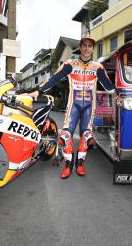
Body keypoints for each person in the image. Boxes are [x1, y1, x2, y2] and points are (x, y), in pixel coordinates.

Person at [25, 34, 114, 179]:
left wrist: (120, 95)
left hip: (89, 107)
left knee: (86, 136)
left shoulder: (98, 67)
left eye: (89, 46)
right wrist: (38, 91)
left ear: (93, 49)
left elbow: (109, 86)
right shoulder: (70, 64)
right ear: (80, 47)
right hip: (74, 105)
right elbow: (53, 79)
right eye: (84, 45)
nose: (86, 49)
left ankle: (80, 164)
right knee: (65, 135)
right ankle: (68, 165)